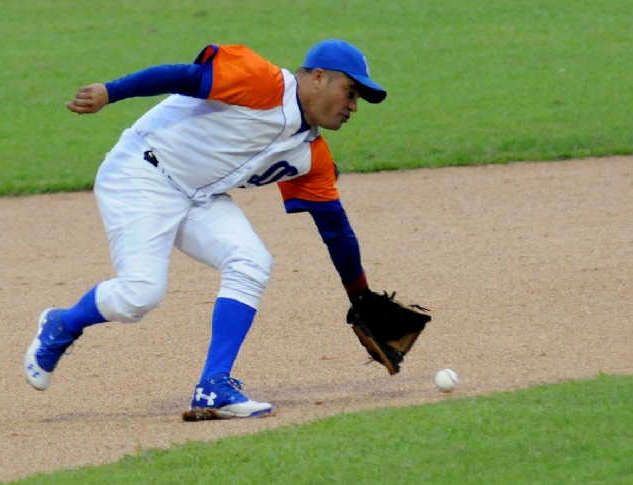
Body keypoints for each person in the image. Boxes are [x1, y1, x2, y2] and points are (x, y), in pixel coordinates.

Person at [24, 39, 387, 420]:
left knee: (251, 261)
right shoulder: (265, 83)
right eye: (350, 92)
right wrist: (110, 92)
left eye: (358, 98)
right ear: (317, 77)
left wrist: (360, 297)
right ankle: (62, 324)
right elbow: (184, 76)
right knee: (140, 295)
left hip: (198, 196)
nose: (352, 106)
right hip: (140, 173)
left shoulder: (312, 156)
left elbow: (336, 230)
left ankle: (213, 385)